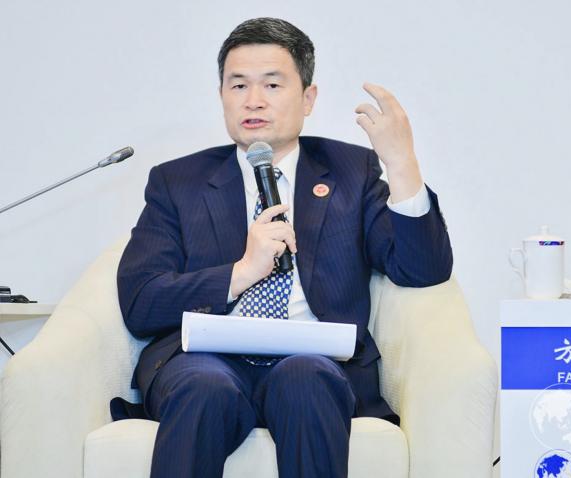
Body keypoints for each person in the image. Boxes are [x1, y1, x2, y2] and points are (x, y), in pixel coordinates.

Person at [116, 17, 452, 478]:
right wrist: (241, 272)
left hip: (315, 362)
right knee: (202, 387)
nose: (253, 100)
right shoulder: (178, 182)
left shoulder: (351, 171)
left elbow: (423, 268)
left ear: (307, 98)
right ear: (221, 95)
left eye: (272, 85)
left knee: (306, 380)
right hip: (204, 363)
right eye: (238, 85)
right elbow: (140, 301)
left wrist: (401, 163)